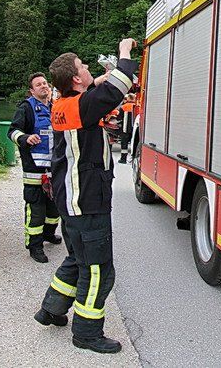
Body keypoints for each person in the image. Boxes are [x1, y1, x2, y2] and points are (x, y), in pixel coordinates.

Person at [34, 38, 137, 355]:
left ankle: (51, 309)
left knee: (78, 259)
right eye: (83, 66)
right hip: (87, 202)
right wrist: (124, 52)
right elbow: (119, 85)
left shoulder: (65, 104)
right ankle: (87, 333)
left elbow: (95, 93)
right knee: (98, 270)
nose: (88, 67)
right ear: (76, 79)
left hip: (71, 201)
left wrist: (99, 79)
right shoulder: (81, 106)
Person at [9, 72, 62, 263]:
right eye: (38, 84)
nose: (43, 86)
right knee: (36, 210)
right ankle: (35, 246)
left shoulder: (55, 107)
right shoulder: (26, 108)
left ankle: (49, 233)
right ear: (32, 91)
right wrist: (25, 137)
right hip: (34, 170)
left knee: (54, 208)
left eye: (45, 83)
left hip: (55, 168)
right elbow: (12, 131)